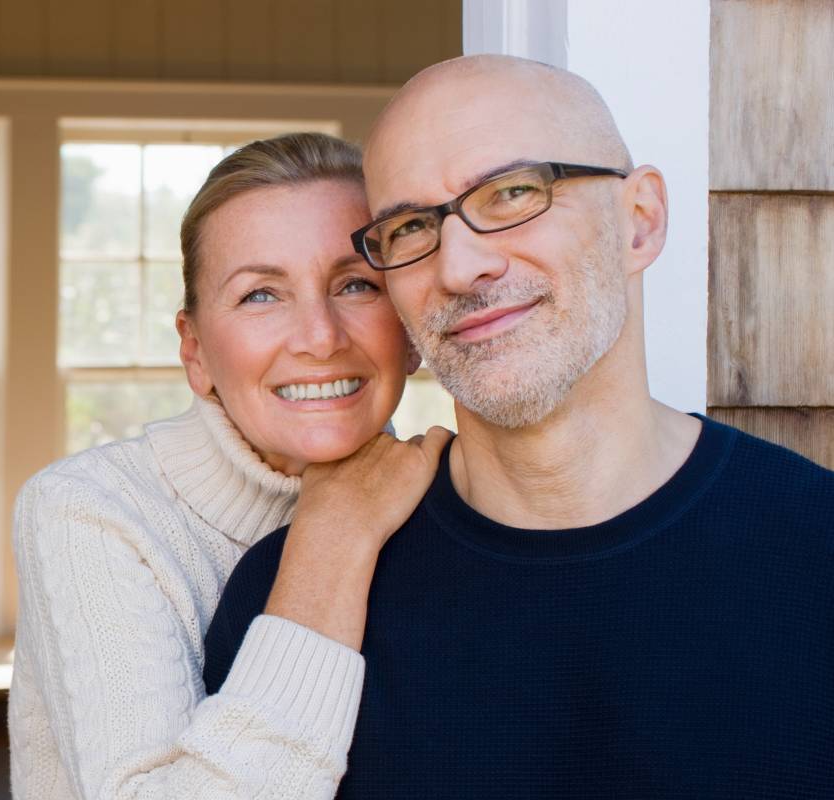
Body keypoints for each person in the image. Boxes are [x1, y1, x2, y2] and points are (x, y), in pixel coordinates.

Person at [203, 55, 834, 798]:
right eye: (410, 228)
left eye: (512, 193)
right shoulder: (291, 604)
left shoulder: (815, 548)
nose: (461, 265)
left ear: (639, 222)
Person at [10, 132, 451, 799]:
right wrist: (329, 538)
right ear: (195, 351)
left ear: (411, 327)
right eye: (260, 295)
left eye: (356, 285)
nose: (320, 338)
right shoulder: (90, 511)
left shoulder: (451, 500)